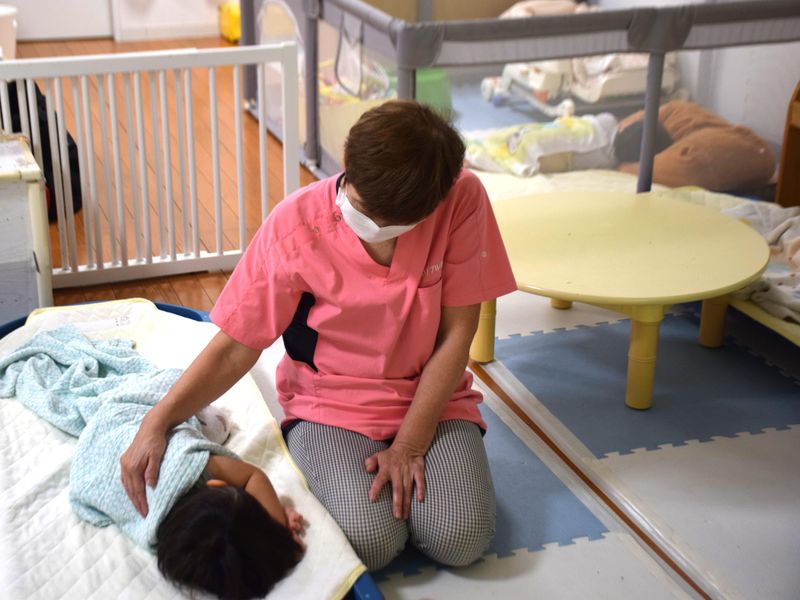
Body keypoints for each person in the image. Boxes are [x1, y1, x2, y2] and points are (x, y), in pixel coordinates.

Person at [121, 100, 517, 571]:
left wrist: (410, 445)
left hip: (431, 394)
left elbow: (457, 333)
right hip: (330, 404)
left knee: (462, 539)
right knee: (372, 543)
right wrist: (157, 421)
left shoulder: (461, 197)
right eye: (362, 207)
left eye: (392, 223)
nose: (372, 226)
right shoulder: (296, 225)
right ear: (348, 161)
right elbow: (235, 346)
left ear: (434, 204)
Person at [0, 324, 304, 600]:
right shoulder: (174, 521)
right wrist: (276, 530)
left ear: (216, 486)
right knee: (209, 420)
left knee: (208, 418)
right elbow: (252, 482)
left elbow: (252, 479)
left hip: (115, 427)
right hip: (129, 427)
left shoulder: (195, 487)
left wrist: (271, 526)